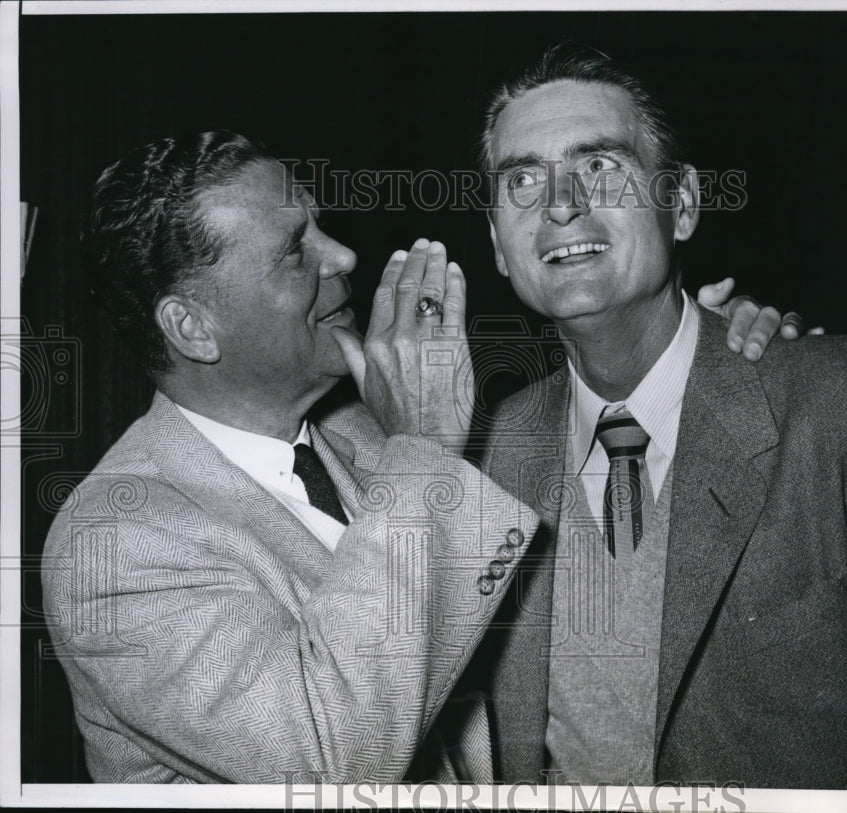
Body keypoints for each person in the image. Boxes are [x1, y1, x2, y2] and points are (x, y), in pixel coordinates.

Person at [41, 130, 789, 783]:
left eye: (320, 225)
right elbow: (330, 757)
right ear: (192, 328)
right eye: (295, 250)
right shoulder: (113, 544)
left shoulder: (360, 433)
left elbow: (565, 488)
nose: (343, 255)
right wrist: (424, 447)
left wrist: (688, 361)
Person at [474, 45, 847, 791]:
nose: (560, 203)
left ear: (685, 203)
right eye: (522, 178)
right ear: (498, 248)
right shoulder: (487, 450)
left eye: (601, 164)